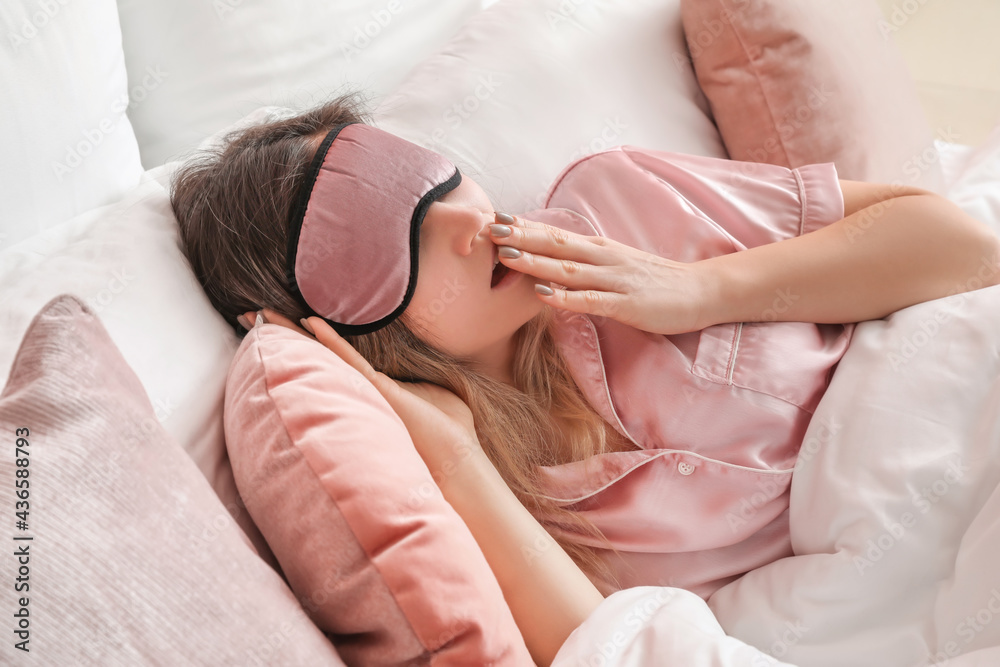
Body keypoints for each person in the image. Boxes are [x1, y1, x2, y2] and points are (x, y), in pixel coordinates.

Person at [169, 93, 1000, 666]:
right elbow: (612, 644)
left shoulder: (614, 204)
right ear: (345, 328)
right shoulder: (500, 507)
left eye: (435, 177)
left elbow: (963, 248)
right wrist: (458, 462)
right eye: (396, 240)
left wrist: (700, 289)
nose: (469, 219)